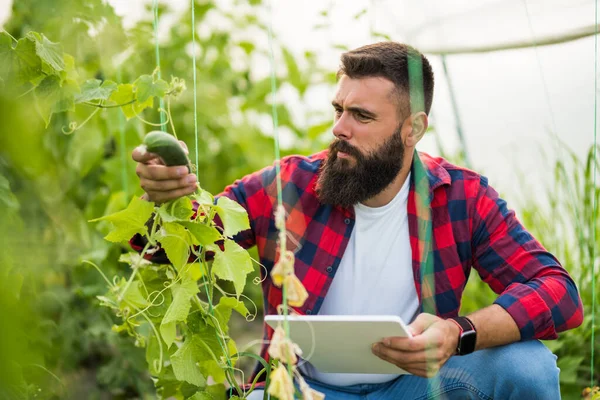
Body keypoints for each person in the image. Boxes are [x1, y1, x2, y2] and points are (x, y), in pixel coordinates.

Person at [132, 42, 583, 399]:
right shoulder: (288, 185)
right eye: (338, 110)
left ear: (414, 128)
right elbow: (171, 252)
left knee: (528, 367)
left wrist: (457, 332)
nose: (339, 129)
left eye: (362, 116)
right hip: (302, 389)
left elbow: (558, 293)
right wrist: (166, 198)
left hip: (416, 390)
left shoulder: (461, 197)